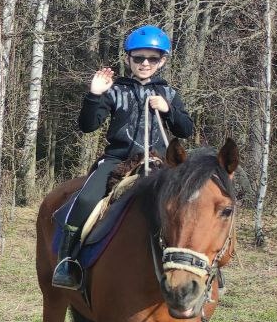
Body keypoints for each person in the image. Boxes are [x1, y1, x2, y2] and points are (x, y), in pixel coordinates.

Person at [52, 25, 195, 289]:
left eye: (152, 58)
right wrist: (94, 95)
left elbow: (186, 129)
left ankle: (197, 268)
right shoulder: (115, 90)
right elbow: (88, 126)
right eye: (138, 57)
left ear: (162, 61)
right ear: (128, 58)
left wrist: (168, 110)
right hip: (118, 162)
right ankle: (68, 261)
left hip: (160, 163)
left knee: (193, 203)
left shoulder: (169, 94)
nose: (145, 63)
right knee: (85, 199)